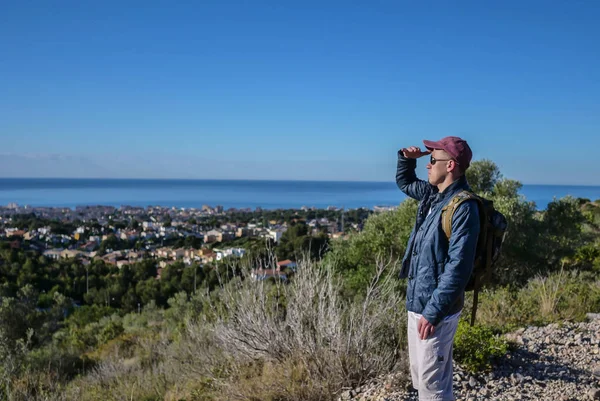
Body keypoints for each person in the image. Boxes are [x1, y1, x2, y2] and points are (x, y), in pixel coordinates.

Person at [396, 136, 480, 401]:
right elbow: (405, 182)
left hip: (436, 311)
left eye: (433, 160)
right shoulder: (433, 196)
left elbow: (459, 267)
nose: (428, 165)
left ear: (451, 165)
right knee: (423, 381)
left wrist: (433, 312)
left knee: (433, 389)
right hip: (417, 304)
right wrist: (405, 159)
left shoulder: (463, 207)